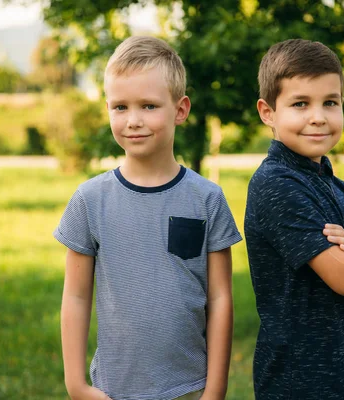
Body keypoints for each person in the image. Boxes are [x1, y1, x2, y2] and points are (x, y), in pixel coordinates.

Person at [53, 35, 242, 400]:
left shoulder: (207, 199)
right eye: (120, 107)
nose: (133, 121)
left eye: (149, 106)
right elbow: (76, 297)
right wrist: (76, 385)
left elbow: (220, 300)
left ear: (180, 109)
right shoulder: (89, 200)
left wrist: (214, 391)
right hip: (112, 390)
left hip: (189, 388)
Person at [244, 38, 344, 399]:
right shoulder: (276, 184)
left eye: (330, 102)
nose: (318, 117)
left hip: (343, 376)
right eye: (300, 104)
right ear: (268, 112)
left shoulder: (339, 188)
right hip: (296, 382)